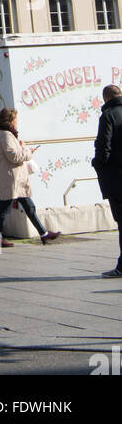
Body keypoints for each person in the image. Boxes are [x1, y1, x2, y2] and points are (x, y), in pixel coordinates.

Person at [0, 107, 60, 247]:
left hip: (15, 179)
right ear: (10, 121)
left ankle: (44, 234)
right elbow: (14, 156)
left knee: (29, 207)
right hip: (12, 179)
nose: (17, 122)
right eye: (15, 119)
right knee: (4, 210)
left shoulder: (3, 135)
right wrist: (28, 151)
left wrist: (22, 147)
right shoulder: (6, 135)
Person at [92, 83, 122, 278]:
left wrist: (98, 163)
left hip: (116, 177)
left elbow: (104, 146)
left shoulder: (108, 115)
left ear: (105, 98)